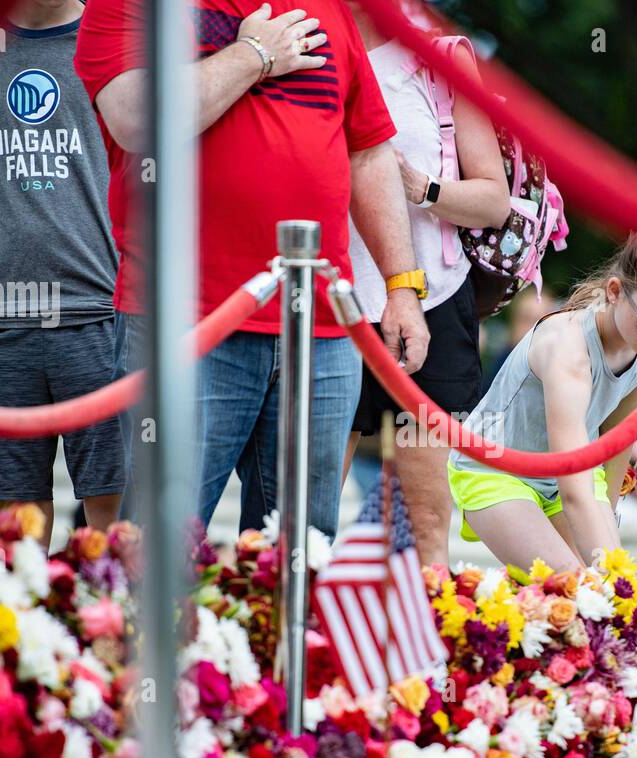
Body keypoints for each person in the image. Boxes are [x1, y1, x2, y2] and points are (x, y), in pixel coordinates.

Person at [75, 1, 428, 540]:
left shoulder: (328, 8)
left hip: (322, 328)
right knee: (158, 543)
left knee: (303, 546)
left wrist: (402, 285)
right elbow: (136, 120)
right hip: (185, 322)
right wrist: (254, 54)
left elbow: (368, 154)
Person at [0, 0, 122, 552]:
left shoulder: (114, 41)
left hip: (99, 317)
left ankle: (112, 638)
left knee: (114, 521)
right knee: (15, 532)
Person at [344, 3, 511, 567]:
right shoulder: (295, 41)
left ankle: (426, 644)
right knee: (307, 503)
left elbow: (494, 200)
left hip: (432, 306)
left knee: (425, 521)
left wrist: (420, 186)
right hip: (328, 304)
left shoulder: (443, 58)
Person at [447, 232, 637, 572]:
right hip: (497, 469)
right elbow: (574, 488)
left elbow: (617, 442)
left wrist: (609, 522)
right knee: (577, 588)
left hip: (574, 475)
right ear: (614, 292)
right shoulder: (568, 349)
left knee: (598, 595)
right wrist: (614, 579)